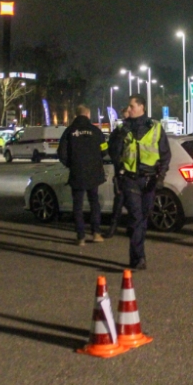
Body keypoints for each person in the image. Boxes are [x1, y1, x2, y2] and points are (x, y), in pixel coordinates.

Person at [108, 95, 171, 271]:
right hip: (130, 179)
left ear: (141, 107)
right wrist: (120, 133)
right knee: (136, 218)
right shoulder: (123, 128)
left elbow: (165, 155)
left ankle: (136, 250)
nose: (129, 109)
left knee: (143, 218)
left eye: (131, 106)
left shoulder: (156, 127)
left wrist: (161, 177)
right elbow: (113, 152)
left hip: (150, 180)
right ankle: (138, 258)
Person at [58, 105, 108, 246]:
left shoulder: (69, 131)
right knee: (94, 203)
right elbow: (104, 151)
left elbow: (61, 153)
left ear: (76, 115)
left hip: (77, 173)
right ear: (87, 114)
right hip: (94, 173)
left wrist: (71, 164)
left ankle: (81, 237)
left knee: (78, 205)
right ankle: (96, 233)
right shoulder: (96, 131)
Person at [104, 107, 131, 238]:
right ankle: (129, 228)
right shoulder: (137, 129)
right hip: (128, 171)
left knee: (120, 200)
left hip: (122, 170)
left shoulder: (120, 131)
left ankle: (114, 228)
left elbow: (112, 150)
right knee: (126, 200)